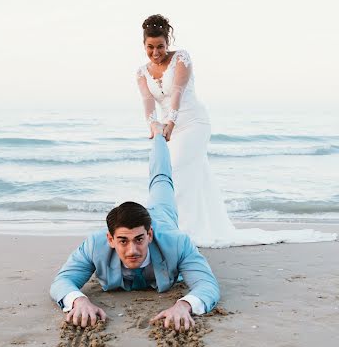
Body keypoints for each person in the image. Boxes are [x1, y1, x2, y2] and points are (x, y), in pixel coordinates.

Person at [137, 14, 337, 247]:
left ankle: (181, 231)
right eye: (150, 47)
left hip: (193, 123)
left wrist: (170, 122)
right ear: (144, 45)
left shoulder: (181, 58)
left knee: (178, 170)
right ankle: (194, 225)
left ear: (167, 43)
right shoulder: (142, 72)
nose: (155, 52)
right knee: (189, 177)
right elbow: (147, 101)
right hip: (169, 131)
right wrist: (154, 124)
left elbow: (178, 91)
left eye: (160, 46)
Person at [50, 126, 220, 331]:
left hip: (161, 213)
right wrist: (79, 301)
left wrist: (184, 305)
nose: (132, 250)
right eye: (123, 240)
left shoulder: (178, 243)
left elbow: (207, 285)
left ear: (149, 235)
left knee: (161, 180)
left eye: (139, 239)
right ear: (110, 239)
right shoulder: (95, 245)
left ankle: (159, 137)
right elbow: (63, 281)